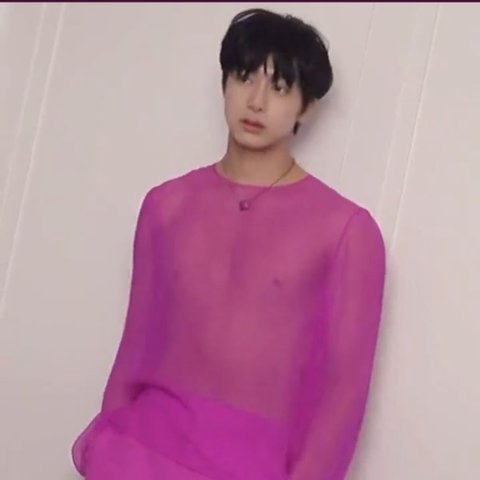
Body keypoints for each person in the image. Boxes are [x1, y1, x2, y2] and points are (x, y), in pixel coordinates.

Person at [71, 8, 386, 480]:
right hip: (140, 453)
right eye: (244, 78)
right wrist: (106, 455)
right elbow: (133, 349)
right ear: (224, 83)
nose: (256, 101)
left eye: (279, 87)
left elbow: (344, 395)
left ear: (306, 107)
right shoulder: (166, 206)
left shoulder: (345, 230)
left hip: (252, 466)